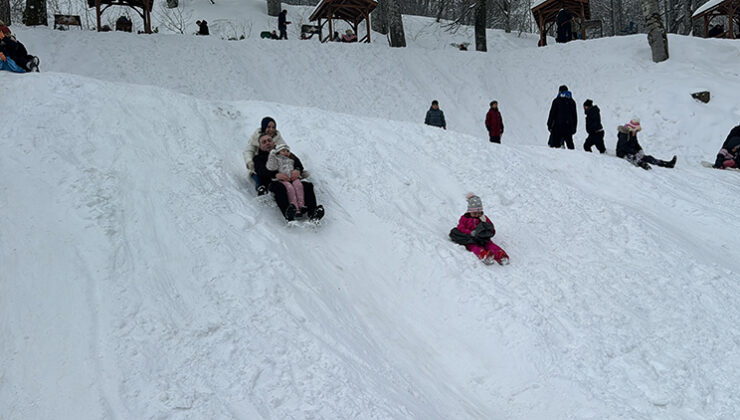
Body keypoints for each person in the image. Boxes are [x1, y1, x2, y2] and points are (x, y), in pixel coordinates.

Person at [253, 135, 325, 221]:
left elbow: (297, 163)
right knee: (280, 188)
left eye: (269, 140)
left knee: (307, 186)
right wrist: (275, 175)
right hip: (274, 181)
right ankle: (288, 213)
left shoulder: (283, 151)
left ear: (273, 142)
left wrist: (297, 170)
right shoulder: (258, 158)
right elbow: (261, 171)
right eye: (264, 142)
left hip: (292, 179)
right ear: (260, 146)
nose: (267, 143)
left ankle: (312, 213)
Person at [449, 193, 509, 265]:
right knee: (474, 247)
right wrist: (470, 232)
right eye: (474, 213)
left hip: (482, 237)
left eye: (479, 213)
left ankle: (501, 255)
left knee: (490, 245)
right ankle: (484, 255)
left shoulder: (483, 218)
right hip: (471, 238)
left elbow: (490, 226)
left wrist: (490, 231)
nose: (477, 215)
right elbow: (460, 227)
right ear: (469, 211)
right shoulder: (465, 218)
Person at [244, 117, 287, 195]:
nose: (271, 129)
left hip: (274, 166)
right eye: (268, 127)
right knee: (258, 175)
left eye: (273, 127)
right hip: (259, 164)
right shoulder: (256, 137)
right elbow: (249, 150)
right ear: (264, 127)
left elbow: (285, 152)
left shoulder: (278, 139)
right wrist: (249, 161)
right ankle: (261, 187)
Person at [266, 143, 306, 216]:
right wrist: (272, 155)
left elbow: (299, 166)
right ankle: (295, 208)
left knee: (299, 185)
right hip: (283, 179)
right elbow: (270, 167)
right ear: (278, 152)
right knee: (290, 188)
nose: (286, 152)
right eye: (283, 151)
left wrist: (297, 171)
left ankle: (301, 206)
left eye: (287, 151)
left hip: (293, 178)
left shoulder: (292, 159)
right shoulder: (276, 159)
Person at [547, 85, 577, 149]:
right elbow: (574, 116)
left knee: (556, 146)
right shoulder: (572, 102)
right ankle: (574, 157)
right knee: (570, 145)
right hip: (568, 126)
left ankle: (560, 152)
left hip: (558, 126)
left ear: (560, 91)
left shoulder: (556, 101)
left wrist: (549, 125)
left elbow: (552, 114)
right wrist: (574, 128)